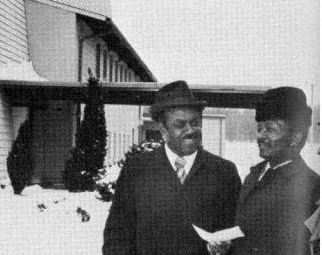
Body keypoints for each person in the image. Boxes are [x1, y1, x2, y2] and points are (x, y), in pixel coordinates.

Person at [103, 80, 242, 254]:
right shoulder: (137, 170)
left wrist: (226, 247)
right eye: (180, 125)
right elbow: (117, 235)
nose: (190, 130)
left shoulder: (224, 172)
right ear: (163, 130)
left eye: (195, 122)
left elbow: (238, 232)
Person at [209, 87, 319, 255]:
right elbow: (244, 233)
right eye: (259, 128)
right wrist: (227, 247)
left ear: (295, 138)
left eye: (270, 129)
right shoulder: (252, 176)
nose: (260, 135)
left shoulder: (311, 187)